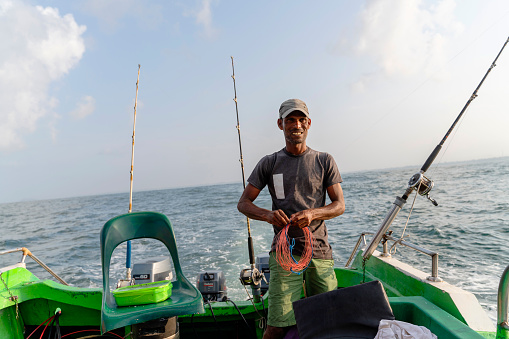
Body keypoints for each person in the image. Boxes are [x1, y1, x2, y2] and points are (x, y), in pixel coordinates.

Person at [237, 98, 345, 339]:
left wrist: (312, 213)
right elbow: (243, 203)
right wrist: (268, 215)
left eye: (300, 120)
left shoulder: (324, 160)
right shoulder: (269, 163)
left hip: (319, 250)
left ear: (308, 124)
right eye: (290, 120)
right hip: (284, 253)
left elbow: (339, 205)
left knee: (331, 321)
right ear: (280, 124)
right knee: (277, 325)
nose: (296, 125)